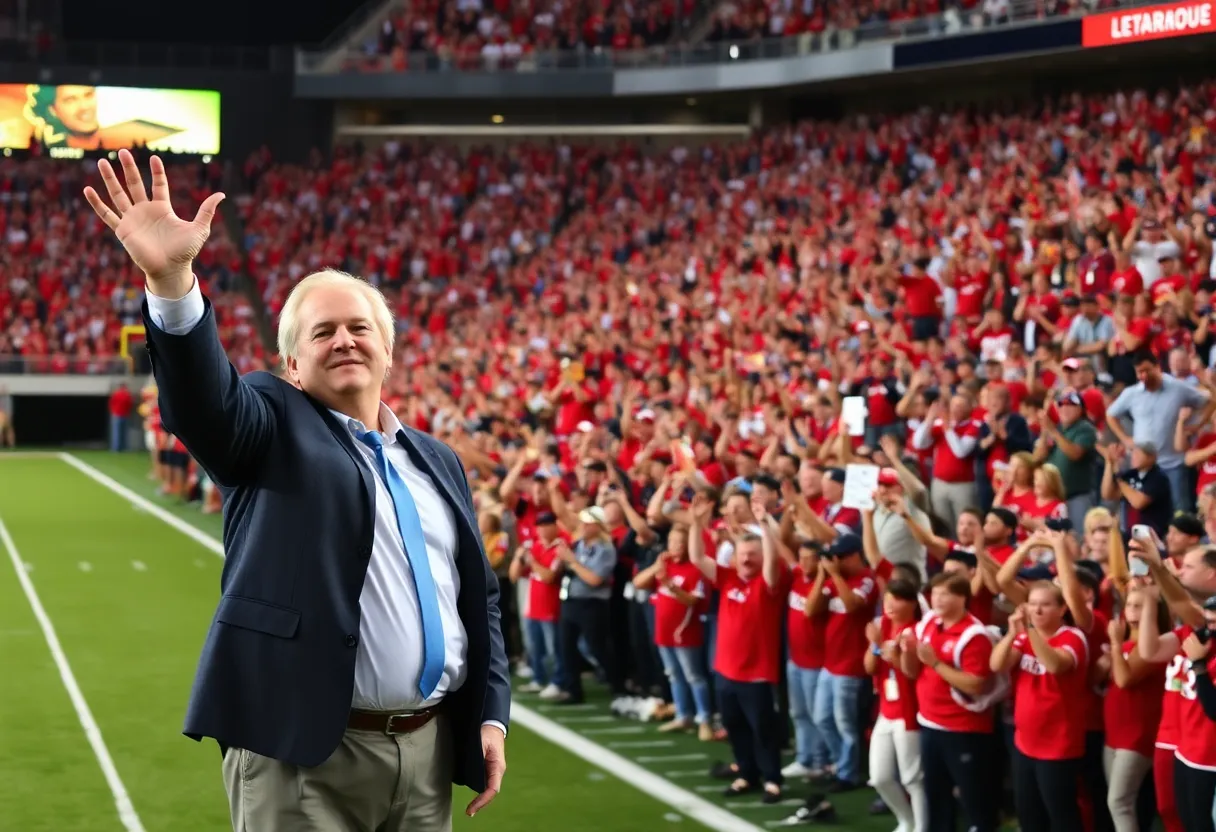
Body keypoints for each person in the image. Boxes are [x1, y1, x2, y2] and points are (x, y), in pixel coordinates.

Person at [84, 150, 509, 832]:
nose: (344, 340)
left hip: (428, 752)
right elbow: (204, 409)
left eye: (359, 327)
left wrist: (489, 712)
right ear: (292, 363)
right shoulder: (273, 419)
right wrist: (171, 281)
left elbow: (478, 598)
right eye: (323, 332)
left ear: (389, 350)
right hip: (304, 754)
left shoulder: (438, 460)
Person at [990, 583, 1089, 832]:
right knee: (1028, 813)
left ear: (1062, 608)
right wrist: (1013, 633)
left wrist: (1031, 629)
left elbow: (1055, 664)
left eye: (1045, 604)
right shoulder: (1023, 637)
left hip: (1058, 746)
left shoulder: (1072, 637)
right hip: (1025, 742)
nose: (1037, 610)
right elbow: (996, 664)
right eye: (1033, 604)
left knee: (1061, 814)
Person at [1106, 349, 1211, 512]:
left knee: (1179, 510)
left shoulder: (1178, 388)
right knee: (1145, 512)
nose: (1143, 376)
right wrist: (1125, 438)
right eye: (1139, 372)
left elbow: (1209, 401)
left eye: (1146, 370)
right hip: (1144, 466)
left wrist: (1197, 425)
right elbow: (1111, 414)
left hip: (1173, 463)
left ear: (1157, 367)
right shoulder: (1132, 393)